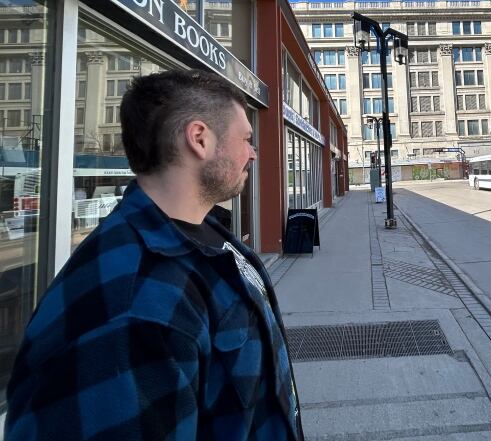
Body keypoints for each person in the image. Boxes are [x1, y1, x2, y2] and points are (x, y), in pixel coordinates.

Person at [5, 70, 304, 440]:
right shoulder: (130, 306)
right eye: (246, 139)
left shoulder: (205, 234)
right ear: (199, 139)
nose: (253, 153)